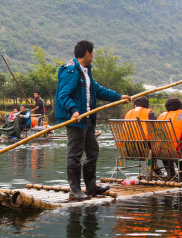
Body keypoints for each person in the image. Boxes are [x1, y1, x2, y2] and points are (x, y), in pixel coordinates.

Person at [55, 39, 130, 200]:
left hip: (88, 119)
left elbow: (97, 90)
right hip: (76, 120)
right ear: (87, 53)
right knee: (75, 154)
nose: (93, 56)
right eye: (93, 53)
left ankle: (91, 187)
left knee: (92, 151)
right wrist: (73, 110)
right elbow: (63, 95)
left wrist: (118, 97)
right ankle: (75, 189)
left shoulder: (85, 71)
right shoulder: (71, 71)